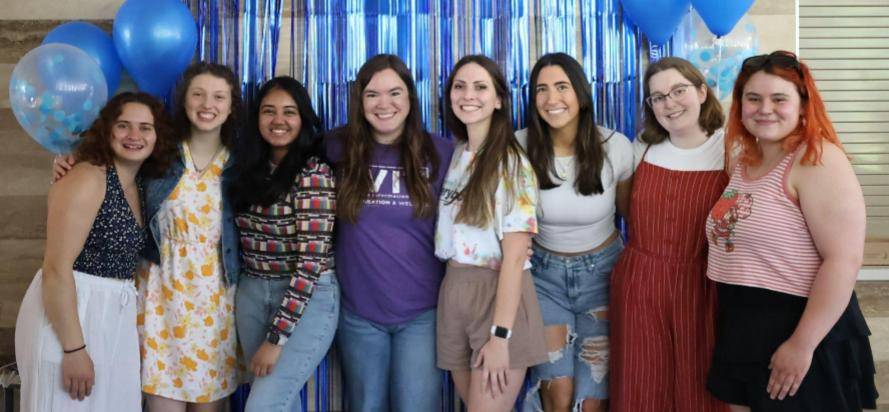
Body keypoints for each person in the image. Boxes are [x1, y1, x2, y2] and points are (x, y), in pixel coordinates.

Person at [55, 62, 244, 410]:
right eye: (198, 94)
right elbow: (109, 170)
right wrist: (68, 161)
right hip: (159, 301)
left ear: (231, 107)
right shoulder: (160, 155)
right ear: (184, 101)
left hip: (216, 306)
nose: (208, 104)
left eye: (219, 97)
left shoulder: (242, 164)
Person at [705, 50, 878, 411]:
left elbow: (843, 260)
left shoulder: (817, 159)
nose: (764, 108)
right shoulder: (744, 159)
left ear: (803, 106)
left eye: (778, 98)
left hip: (800, 323)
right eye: (753, 99)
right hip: (743, 322)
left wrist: (802, 343)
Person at [16, 92, 175, 411]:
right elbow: (56, 268)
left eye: (145, 127)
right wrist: (74, 349)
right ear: (106, 130)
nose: (134, 136)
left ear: (158, 137)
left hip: (114, 316)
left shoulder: (141, 183)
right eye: (123, 126)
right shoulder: (89, 176)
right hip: (71, 313)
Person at [327, 54, 454, 412]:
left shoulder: (442, 153)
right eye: (372, 94)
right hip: (358, 315)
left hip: (422, 314)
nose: (384, 104)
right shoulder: (336, 149)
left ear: (410, 99)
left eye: (395, 92)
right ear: (360, 101)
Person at [608, 57, 728, 412]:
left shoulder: (731, 149)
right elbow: (627, 209)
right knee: (640, 385)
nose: (669, 103)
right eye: (657, 97)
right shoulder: (641, 147)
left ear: (702, 92)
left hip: (703, 285)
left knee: (700, 387)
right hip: (639, 284)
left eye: (678, 91)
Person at [516, 52, 633, 412]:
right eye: (542, 89)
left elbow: (630, 216)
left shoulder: (615, 145)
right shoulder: (518, 147)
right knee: (558, 392)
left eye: (562, 87)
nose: (552, 99)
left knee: (592, 399)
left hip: (603, 275)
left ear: (581, 95)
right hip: (544, 279)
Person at [435, 54, 547, 412]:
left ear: (499, 99)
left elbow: (515, 255)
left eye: (481, 87)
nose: (469, 95)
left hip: (496, 296)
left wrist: (500, 336)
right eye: (460, 86)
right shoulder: (456, 156)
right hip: (454, 290)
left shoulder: (511, 163)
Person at [230, 76, 338, 411]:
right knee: (281, 404)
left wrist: (277, 338)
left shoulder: (313, 173)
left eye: (289, 112)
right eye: (269, 111)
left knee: (264, 406)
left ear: (303, 119)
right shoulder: (246, 169)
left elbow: (310, 264)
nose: (279, 120)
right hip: (251, 292)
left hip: (306, 297)